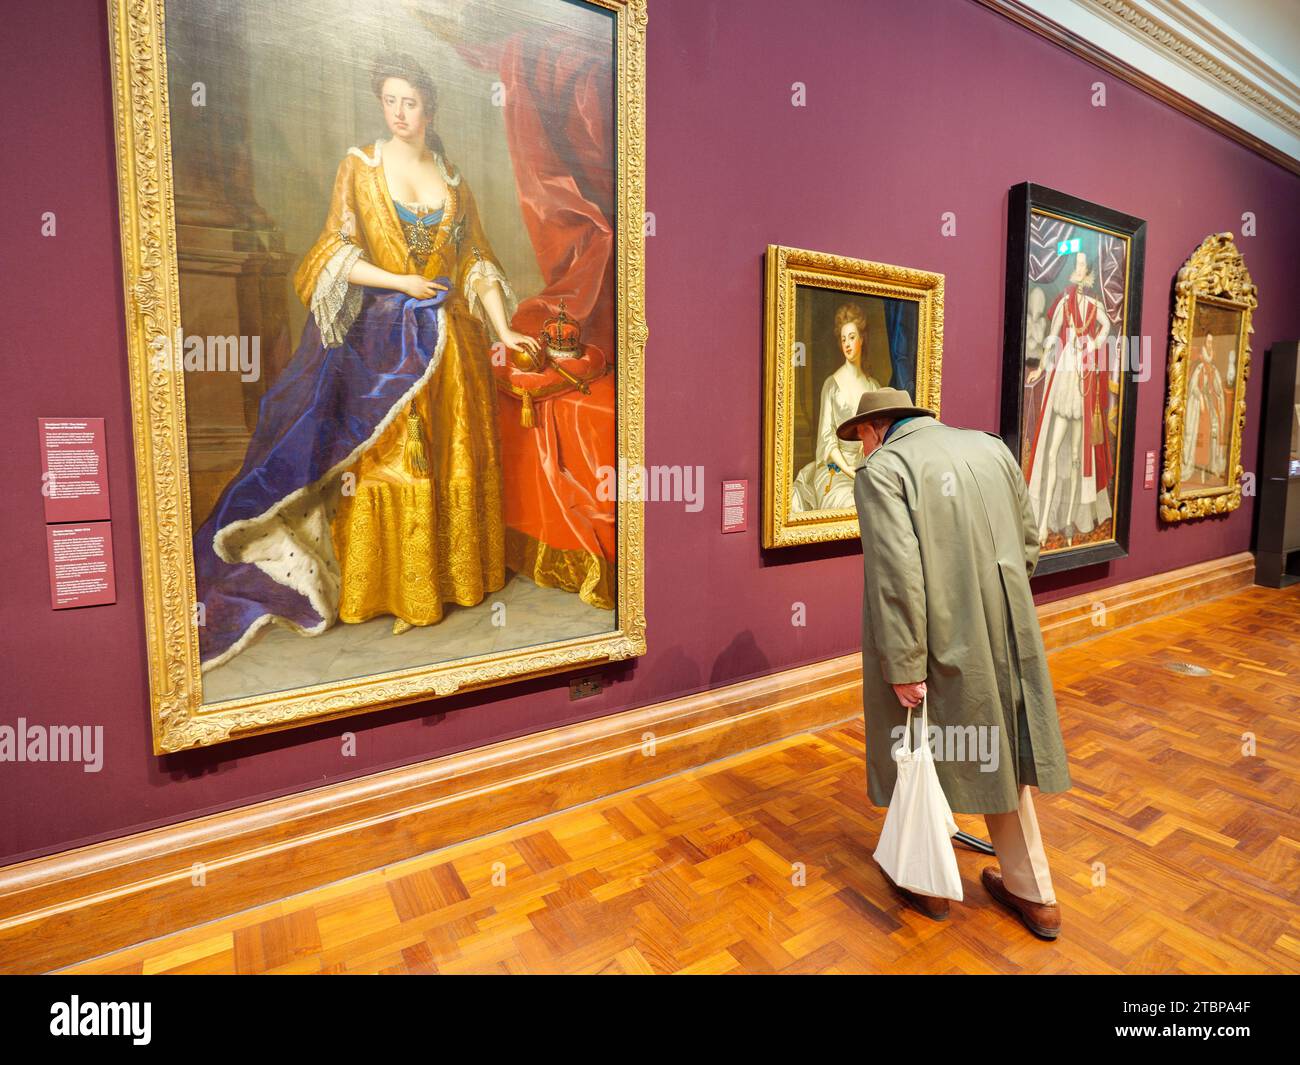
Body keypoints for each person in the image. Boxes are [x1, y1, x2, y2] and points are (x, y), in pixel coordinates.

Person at [193, 54, 539, 670]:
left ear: (431, 109)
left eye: (411, 102)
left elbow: (477, 261)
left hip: (451, 350)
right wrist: (401, 284)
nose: (400, 113)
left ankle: (451, 580)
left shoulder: (455, 178)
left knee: (450, 458)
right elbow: (333, 254)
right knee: (388, 464)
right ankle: (389, 590)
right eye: (390, 100)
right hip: (382, 348)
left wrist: (505, 328)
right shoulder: (360, 167)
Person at [837, 388, 1072, 939]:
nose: (862, 450)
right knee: (1000, 750)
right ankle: (1035, 891)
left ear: (874, 429)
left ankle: (929, 883)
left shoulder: (882, 471)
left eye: (861, 440)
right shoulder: (991, 449)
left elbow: (898, 577)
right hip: (1005, 628)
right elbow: (1029, 544)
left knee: (917, 747)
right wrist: (993, 604)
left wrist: (904, 663)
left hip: (929, 638)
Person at [1024, 251, 1114, 547]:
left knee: (1077, 457)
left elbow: (1107, 327)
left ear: (1086, 272)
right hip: (1064, 375)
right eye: (1074, 264)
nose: (1077, 269)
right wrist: (1040, 367)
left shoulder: (1093, 305)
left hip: (1082, 379)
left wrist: (1091, 345)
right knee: (1051, 453)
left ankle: (1069, 521)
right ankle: (1044, 520)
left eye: (1080, 265)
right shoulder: (1065, 302)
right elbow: (1052, 336)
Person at [790, 303, 881, 512]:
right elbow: (826, 438)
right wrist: (848, 469)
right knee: (847, 502)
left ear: (861, 339)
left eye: (851, 337)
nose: (847, 344)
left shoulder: (873, 386)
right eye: (843, 339)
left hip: (865, 467)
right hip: (835, 469)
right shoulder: (832, 384)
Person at [1182, 335, 1228, 485]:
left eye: (1211, 342)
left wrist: (1216, 396)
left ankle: (1209, 467)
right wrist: (1200, 398)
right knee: (1200, 432)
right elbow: (1193, 387)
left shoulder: (1213, 369)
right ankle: (1196, 468)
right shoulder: (1199, 367)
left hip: (1210, 405)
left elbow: (1218, 390)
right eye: (1208, 342)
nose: (1210, 345)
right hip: (1199, 407)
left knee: (1213, 431)